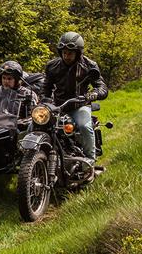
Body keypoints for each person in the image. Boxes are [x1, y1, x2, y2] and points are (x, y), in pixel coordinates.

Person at [41, 32, 108, 162]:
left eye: (70, 53)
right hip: (57, 107)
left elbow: (102, 87)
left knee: (84, 126)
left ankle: (89, 161)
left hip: (80, 105)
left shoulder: (89, 65)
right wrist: (44, 99)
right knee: (38, 124)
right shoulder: (52, 66)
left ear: (78, 53)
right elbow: (46, 87)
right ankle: (34, 156)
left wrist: (93, 94)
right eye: (64, 52)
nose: (66, 56)